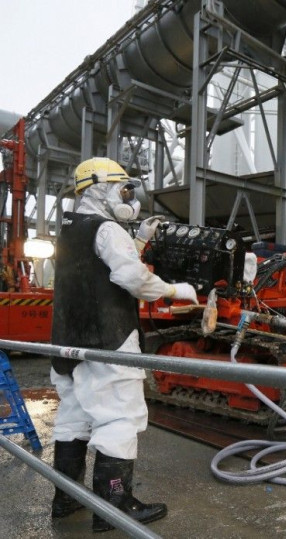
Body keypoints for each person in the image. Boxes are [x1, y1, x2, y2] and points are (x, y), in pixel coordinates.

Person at [50, 157, 198, 532]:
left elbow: (98, 262)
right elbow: (131, 277)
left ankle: (66, 499)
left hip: (67, 343)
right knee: (119, 418)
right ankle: (115, 506)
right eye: (123, 189)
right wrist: (175, 290)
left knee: (75, 418)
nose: (128, 197)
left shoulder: (70, 227)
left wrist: (141, 239)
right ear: (99, 187)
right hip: (108, 340)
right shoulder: (107, 229)